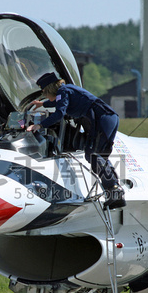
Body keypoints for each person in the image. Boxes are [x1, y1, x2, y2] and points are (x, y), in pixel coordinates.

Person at [26, 72, 125, 209]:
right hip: (108, 117)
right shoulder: (65, 90)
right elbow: (59, 101)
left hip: (102, 117)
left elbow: (59, 113)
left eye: (44, 92)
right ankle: (115, 192)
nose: (44, 94)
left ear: (49, 88)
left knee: (93, 154)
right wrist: (43, 103)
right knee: (99, 155)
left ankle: (114, 190)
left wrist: (40, 125)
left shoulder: (63, 91)